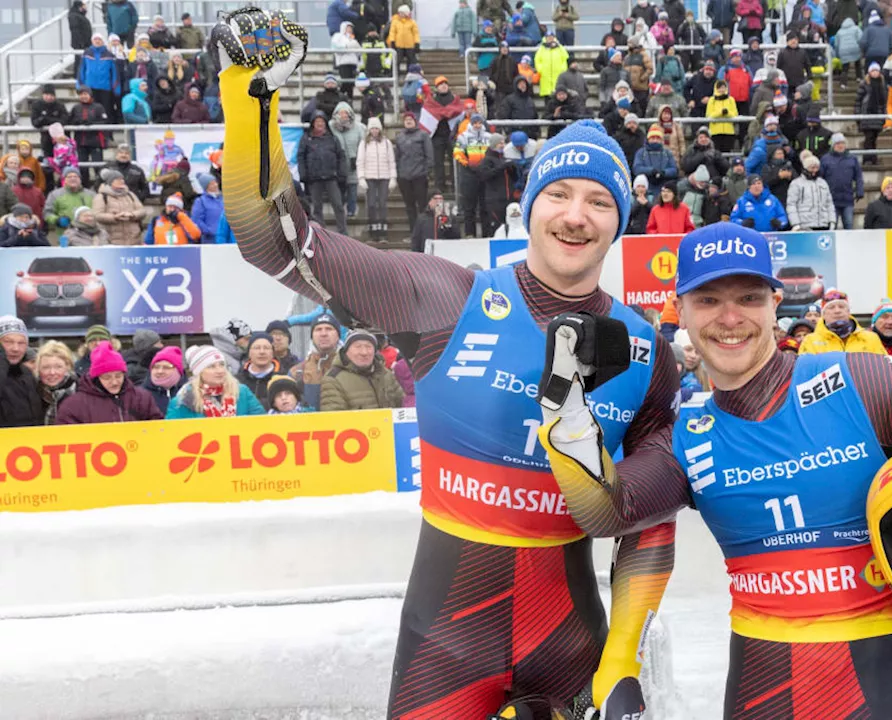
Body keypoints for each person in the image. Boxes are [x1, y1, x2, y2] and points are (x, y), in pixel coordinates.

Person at [213, 13, 680, 717]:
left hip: (572, 645)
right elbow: (275, 242)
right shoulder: (445, 296)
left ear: (620, 221)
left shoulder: (645, 350)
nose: (576, 215)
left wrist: (622, 658)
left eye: (598, 200)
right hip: (446, 644)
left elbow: (647, 515)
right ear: (528, 204)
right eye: (559, 193)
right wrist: (250, 105)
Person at [534, 222, 892, 719]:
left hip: (883, 678)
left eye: (748, 297)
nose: (730, 319)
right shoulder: (686, 432)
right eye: (708, 300)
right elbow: (606, 510)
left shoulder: (867, 381)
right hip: (761, 683)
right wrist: (566, 414)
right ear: (681, 309)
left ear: (776, 301)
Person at [56, 342, 163, 424]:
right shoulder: (74, 405)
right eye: (107, 377)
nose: (114, 382)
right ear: (96, 378)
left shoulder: (141, 398)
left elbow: (157, 428)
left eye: (118, 376)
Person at [166, 345, 266, 418]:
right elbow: (172, 433)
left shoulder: (242, 392)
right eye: (211, 366)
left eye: (222, 364)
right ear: (199, 372)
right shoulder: (184, 400)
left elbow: (261, 422)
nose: (220, 370)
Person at [298, 112, 349, 233]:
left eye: (322, 122)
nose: (320, 124)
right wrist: (303, 174)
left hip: (331, 177)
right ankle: (321, 233)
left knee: (338, 205)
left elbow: (341, 156)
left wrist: (342, 173)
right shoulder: (306, 139)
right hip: (314, 179)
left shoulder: (332, 138)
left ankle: (343, 232)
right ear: (313, 124)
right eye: (317, 122)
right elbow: (301, 157)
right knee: (317, 208)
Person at [798, 289, 886, 354]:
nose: (837, 311)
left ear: (848, 312)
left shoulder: (871, 338)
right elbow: (805, 372)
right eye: (831, 307)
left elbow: (883, 367)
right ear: (823, 314)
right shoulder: (810, 341)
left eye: (841, 306)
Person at [0, 316, 42, 427]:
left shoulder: (27, 373)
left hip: (28, 442)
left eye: (21, 343)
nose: (16, 348)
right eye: (8, 342)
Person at [819, 132, 864, 229]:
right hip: (831, 200)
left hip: (847, 199)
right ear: (833, 145)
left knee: (849, 225)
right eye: (838, 143)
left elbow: (858, 176)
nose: (840, 146)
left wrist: (859, 191)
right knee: (832, 226)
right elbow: (820, 179)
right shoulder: (825, 159)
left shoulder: (852, 159)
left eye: (842, 143)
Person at [91, 169, 146, 245]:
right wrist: (114, 217)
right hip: (111, 240)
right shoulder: (101, 196)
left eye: (122, 179)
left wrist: (132, 214)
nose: (122, 181)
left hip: (134, 240)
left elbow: (142, 211)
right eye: (118, 179)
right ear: (110, 182)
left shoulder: (130, 195)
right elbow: (97, 215)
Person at [34, 340, 78, 424]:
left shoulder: (80, 391)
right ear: (38, 368)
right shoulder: (30, 392)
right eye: (46, 367)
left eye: (58, 367)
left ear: (68, 367)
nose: (52, 372)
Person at [236, 332, 282, 406]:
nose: (262, 352)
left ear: (273, 353)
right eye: (257, 348)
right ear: (249, 353)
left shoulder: (282, 378)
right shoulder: (237, 381)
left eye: (266, 348)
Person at [140, 345, 185, 414]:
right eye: (156, 367)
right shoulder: (140, 395)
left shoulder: (189, 392)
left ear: (177, 370)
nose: (160, 371)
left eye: (166, 367)